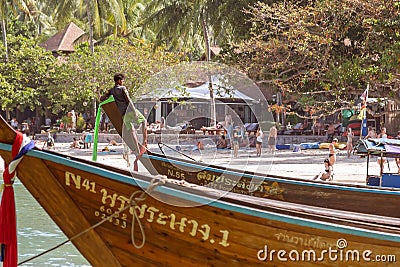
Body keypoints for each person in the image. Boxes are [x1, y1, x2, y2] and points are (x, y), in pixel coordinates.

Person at [101, 73, 148, 171]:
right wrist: (134, 110)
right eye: (122, 80)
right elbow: (128, 100)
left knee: (131, 131)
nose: (123, 82)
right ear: (119, 81)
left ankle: (137, 151)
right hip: (129, 110)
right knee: (144, 121)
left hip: (123, 114)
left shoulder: (111, 90)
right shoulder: (123, 88)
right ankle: (145, 142)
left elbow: (102, 98)